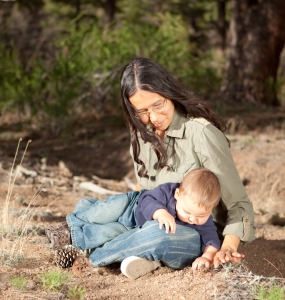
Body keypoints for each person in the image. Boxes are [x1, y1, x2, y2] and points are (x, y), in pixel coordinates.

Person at [56, 57, 254, 276]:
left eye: (158, 105)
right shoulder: (142, 137)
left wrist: (228, 247)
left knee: (156, 235)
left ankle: (91, 256)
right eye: (141, 111)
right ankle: (139, 253)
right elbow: (145, 195)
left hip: (197, 234)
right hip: (155, 215)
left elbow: (239, 204)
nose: (153, 117)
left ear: (169, 93)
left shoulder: (202, 134)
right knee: (93, 206)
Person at [48, 168, 222, 279]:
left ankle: (78, 241)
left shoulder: (204, 220)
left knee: (105, 233)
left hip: (130, 230)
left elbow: (211, 240)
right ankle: (70, 224)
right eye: (188, 212)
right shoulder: (167, 191)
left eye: (200, 216)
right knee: (103, 211)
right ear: (178, 194)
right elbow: (147, 199)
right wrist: (160, 212)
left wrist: (207, 256)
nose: (192, 219)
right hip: (131, 208)